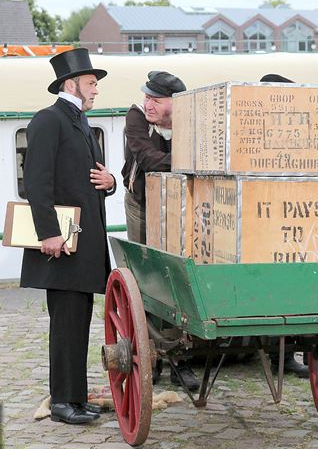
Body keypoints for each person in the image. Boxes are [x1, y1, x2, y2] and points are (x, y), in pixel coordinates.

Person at [21, 48, 115, 424]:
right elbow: (36, 182)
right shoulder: (49, 119)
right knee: (65, 326)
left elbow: (92, 178)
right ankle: (62, 402)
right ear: (71, 84)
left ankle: (75, 398)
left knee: (78, 324)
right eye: (91, 83)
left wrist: (111, 182)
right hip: (60, 245)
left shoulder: (80, 122)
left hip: (82, 245)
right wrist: (48, 233)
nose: (96, 90)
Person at [122, 70, 201, 391]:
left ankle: (180, 360)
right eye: (147, 97)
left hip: (180, 206)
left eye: (155, 99)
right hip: (142, 204)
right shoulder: (135, 117)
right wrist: (185, 160)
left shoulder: (191, 120)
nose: (148, 104)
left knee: (175, 277)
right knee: (146, 277)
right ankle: (150, 355)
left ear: (175, 103)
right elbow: (147, 158)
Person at [257, 73, 309, 378]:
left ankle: (286, 353)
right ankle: (268, 348)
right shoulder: (253, 133)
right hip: (262, 220)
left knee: (291, 289)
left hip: (291, 220)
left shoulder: (301, 136)